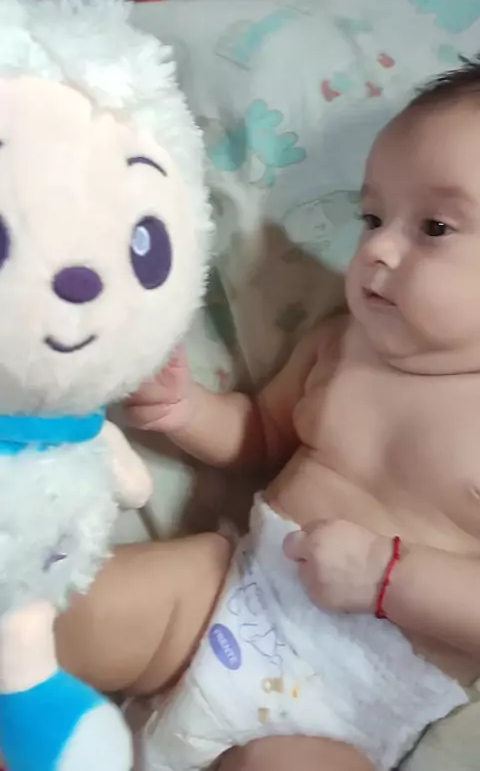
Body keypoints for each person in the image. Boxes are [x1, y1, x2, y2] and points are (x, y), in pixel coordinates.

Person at [56, 61, 480, 771]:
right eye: (372, 218)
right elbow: (261, 432)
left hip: (347, 710)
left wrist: (388, 577)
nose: (377, 248)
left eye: (434, 227)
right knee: (75, 608)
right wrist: (188, 411)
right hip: (225, 597)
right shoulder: (342, 344)